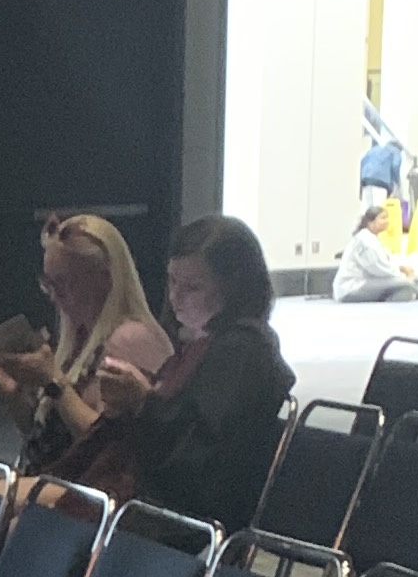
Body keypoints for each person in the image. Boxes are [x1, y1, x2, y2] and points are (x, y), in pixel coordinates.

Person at [82, 215, 295, 528]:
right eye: (172, 281)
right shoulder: (199, 343)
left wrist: (142, 401)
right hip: (159, 498)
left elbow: (196, 450)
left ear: (234, 289)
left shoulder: (244, 350)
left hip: (193, 512)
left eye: (193, 287)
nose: (175, 296)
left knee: (46, 528)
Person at [0, 213, 170, 476]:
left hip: (90, 498)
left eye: (64, 283)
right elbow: (49, 443)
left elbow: (103, 447)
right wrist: (14, 395)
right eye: (48, 284)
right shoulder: (78, 339)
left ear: (105, 278)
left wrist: (53, 381)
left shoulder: (129, 338)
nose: (54, 296)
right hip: (54, 484)